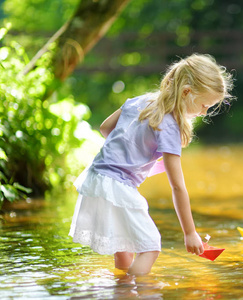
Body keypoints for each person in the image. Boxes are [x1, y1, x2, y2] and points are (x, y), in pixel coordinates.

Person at [69, 54, 233, 275]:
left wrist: (134, 158)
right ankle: (137, 293)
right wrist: (190, 232)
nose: (204, 112)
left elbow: (106, 128)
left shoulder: (142, 100)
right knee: (150, 246)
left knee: (123, 247)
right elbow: (177, 187)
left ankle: (124, 290)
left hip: (95, 177)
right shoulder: (170, 125)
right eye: (204, 105)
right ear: (186, 92)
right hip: (116, 185)